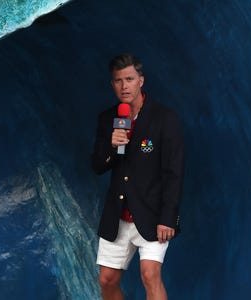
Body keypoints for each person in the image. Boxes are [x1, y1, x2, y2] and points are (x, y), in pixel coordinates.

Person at [91, 53, 185, 300]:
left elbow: (174, 172)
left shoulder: (165, 118)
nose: (124, 86)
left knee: (149, 274)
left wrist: (169, 217)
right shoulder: (108, 119)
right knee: (106, 280)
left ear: (141, 81)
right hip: (118, 214)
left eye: (129, 79)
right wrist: (113, 146)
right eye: (118, 81)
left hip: (153, 215)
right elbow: (98, 166)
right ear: (112, 84)